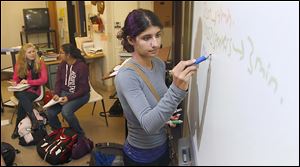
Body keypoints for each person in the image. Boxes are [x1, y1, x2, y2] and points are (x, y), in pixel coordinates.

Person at [115, 9, 197, 166]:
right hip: (141, 156)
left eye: (158, 35)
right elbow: (149, 124)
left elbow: (157, 104)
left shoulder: (158, 64)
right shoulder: (127, 76)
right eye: (146, 38)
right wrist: (176, 89)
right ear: (131, 40)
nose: (156, 44)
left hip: (164, 146)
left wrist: (166, 118)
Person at [45, 43, 90, 138]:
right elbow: (58, 82)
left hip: (80, 95)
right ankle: (58, 132)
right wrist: (56, 94)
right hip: (64, 94)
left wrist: (68, 98)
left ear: (68, 55)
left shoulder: (81, 67)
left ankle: (80, 134)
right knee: (50, 112)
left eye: (61, 53)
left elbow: (84, 89)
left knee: (66, 112)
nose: (59, 55)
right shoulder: (62, 64)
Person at [10, 43, 48, 139]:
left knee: (22, 103)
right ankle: (34, 120)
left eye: (33, 51)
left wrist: (29, 82)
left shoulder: (40, 63)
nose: (32, 54)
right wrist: (15, 82)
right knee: (22, 95)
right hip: (20, 90)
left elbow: (44, 80)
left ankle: (16, 129)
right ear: (24, 54)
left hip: (34, 91)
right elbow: (15, 78)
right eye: (29, 52)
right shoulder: (19, 65)